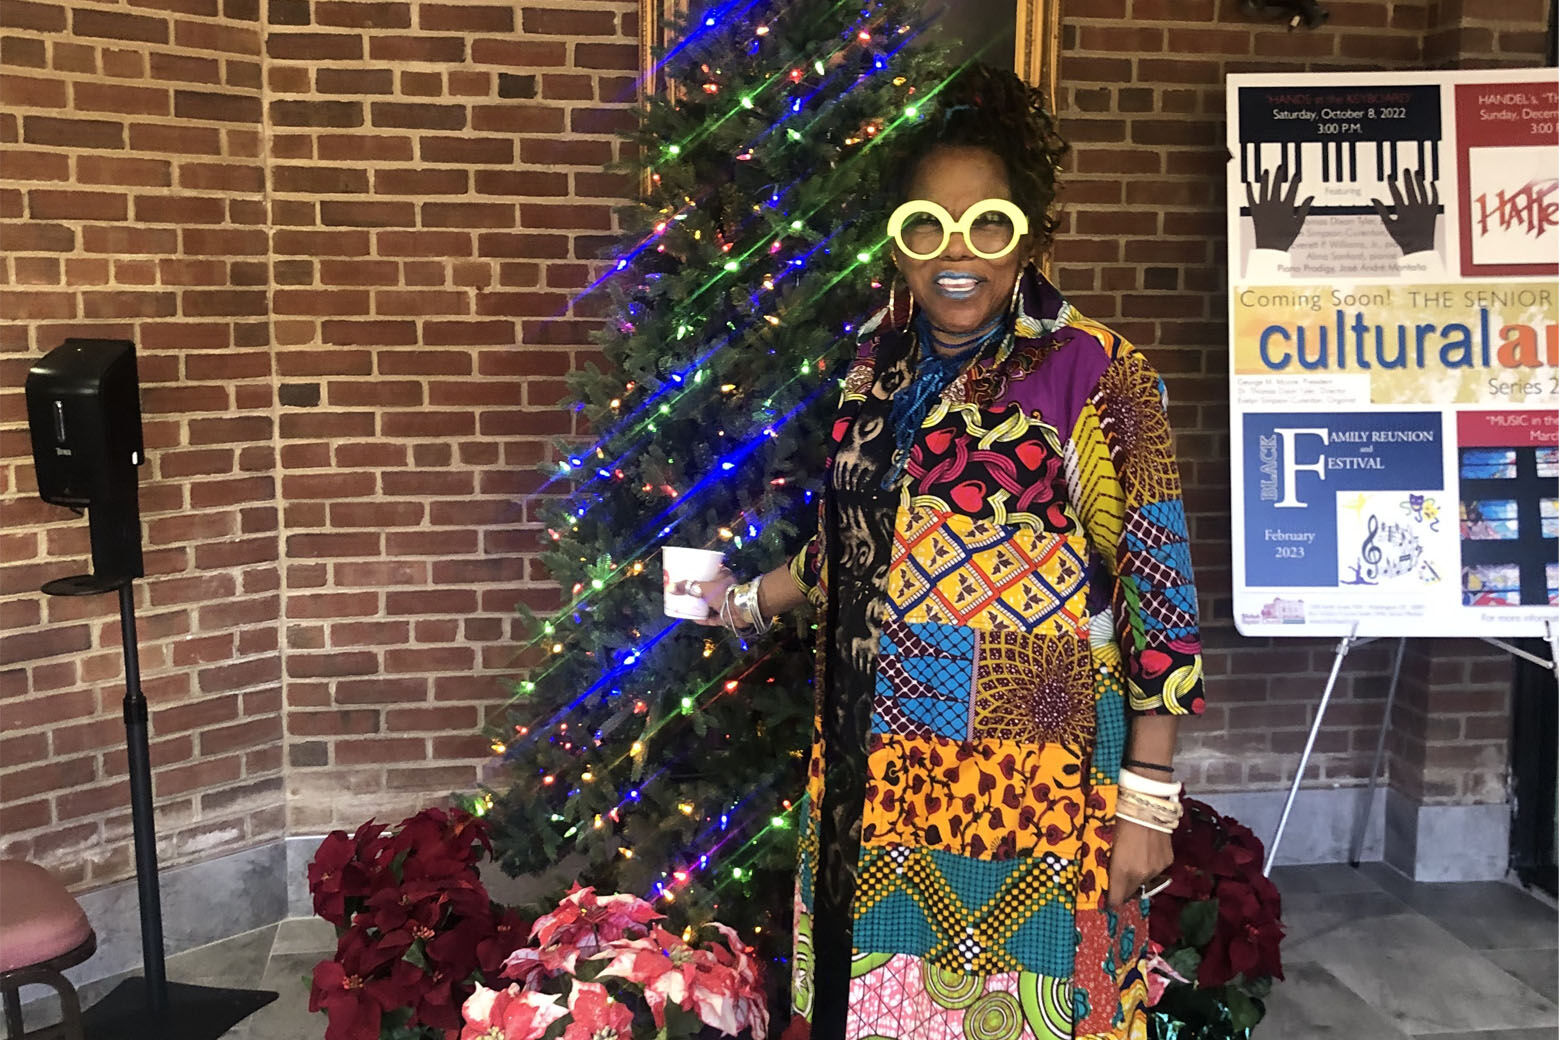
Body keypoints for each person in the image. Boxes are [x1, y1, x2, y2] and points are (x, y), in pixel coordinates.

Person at [691, 64, 1206, 1040]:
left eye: (987, 224)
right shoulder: (875, 366)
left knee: (1034, 1008)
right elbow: (855, 544)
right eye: (928, 225)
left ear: (1029, 235)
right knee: (882, 1005)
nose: (956, 251)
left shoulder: (1094, 372)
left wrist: (1149, 799)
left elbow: (1160, 590)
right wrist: (750, 599)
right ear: (899, 243)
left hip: (1039, 780)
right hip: (877, 762)